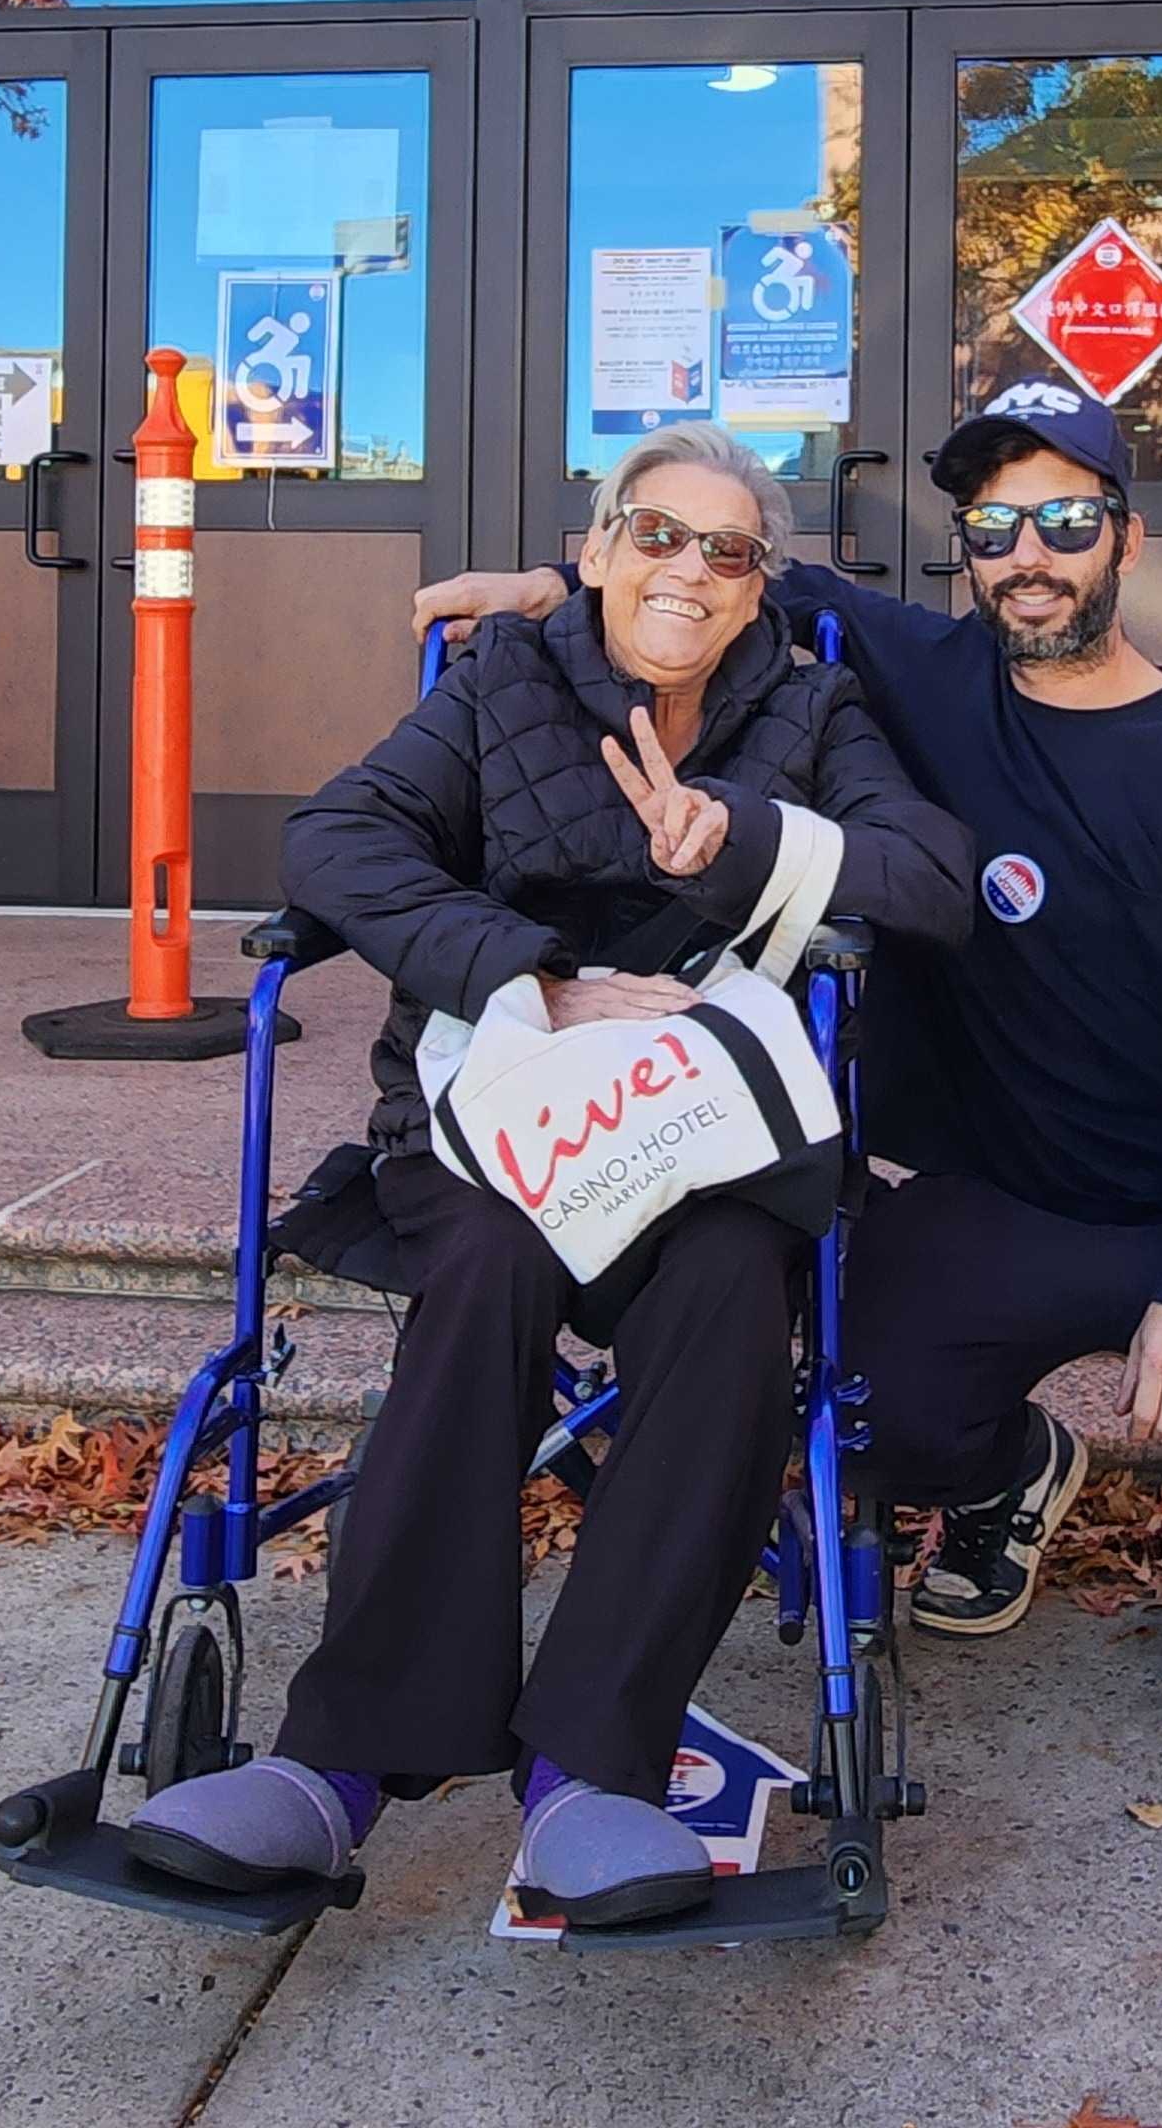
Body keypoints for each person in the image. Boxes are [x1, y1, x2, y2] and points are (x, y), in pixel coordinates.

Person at [419, 380, 1162, 1722]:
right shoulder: (932, 677)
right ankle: (1009, 1478)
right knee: (862, 1409)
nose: (1029, 556)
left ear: (1127, 540)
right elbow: (742, 577)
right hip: (1001, 1195)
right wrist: (556, 582)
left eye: (1066, 521)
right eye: (995, 529)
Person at [129, 422, 971, 1929]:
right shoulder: (502, 685)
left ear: (759, 587)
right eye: (657, 534)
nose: (689, 570)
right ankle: (338, 1762)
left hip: (701, 1140)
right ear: (593, 552)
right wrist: (536, 977)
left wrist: (747, 841)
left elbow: (931, 877)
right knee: (490, 1264)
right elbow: (335, 841)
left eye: (729, 551)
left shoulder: (811, 703)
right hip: (494, 1116)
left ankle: (591, 1767)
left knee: (734, 1283)